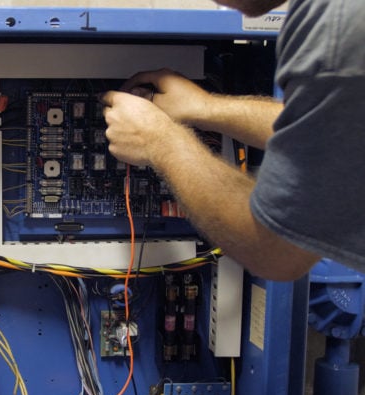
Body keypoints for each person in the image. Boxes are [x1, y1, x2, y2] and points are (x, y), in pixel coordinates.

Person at [101, 0, 365, 281]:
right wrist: (205, 107)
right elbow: (320, 127)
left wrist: (159, 141)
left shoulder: (339, 21)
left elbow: (276, 250)